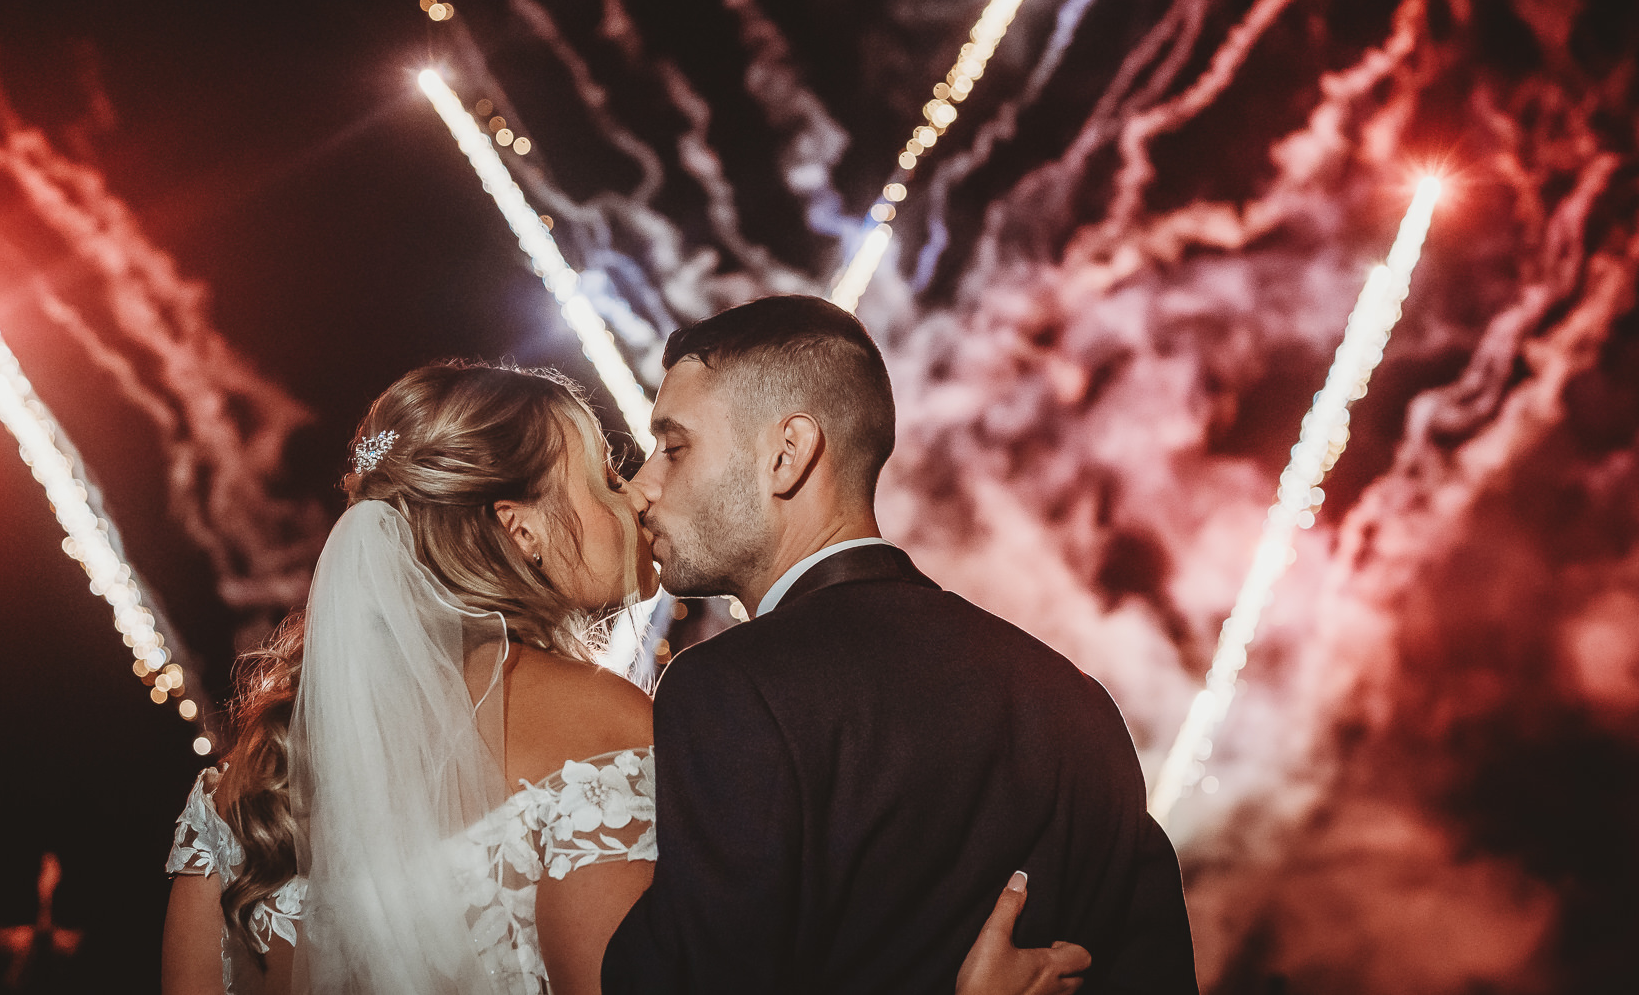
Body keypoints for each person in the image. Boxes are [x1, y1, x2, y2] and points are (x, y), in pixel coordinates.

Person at [161, 360, 1092, 995]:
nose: (639, 492)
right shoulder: (597, 724)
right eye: (607, 473)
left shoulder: (243, 788)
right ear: (522, 530)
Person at [599, 296, 1198, 993]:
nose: (642, 488)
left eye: (674, 448)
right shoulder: (1079, 704)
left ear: (787, 455)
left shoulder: (729, 691)